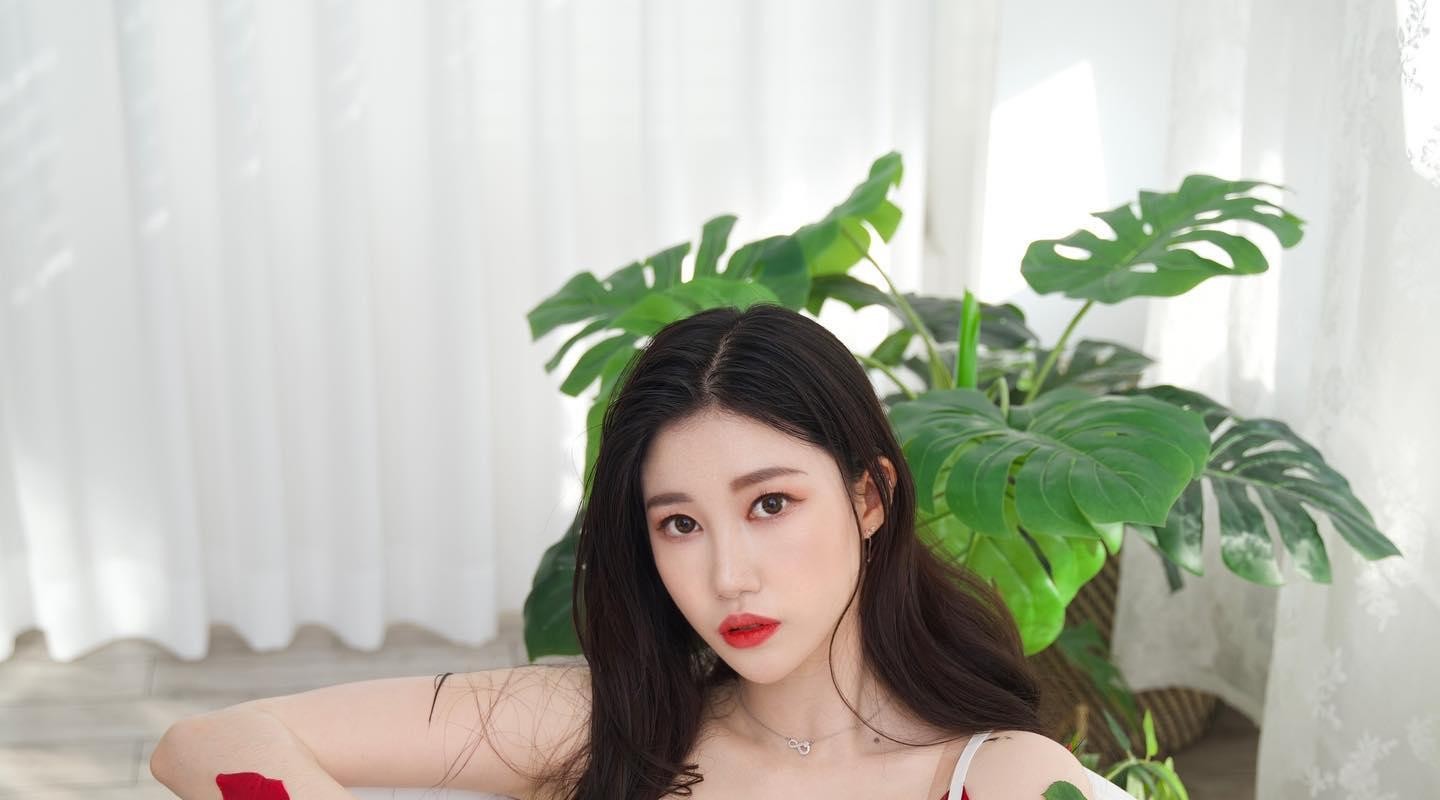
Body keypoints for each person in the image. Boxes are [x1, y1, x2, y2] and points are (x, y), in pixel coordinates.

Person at [151, 303, 1100, 800]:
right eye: (679, 523)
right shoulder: (607, 724)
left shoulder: (997, 778)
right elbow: (208, 744)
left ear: (869, 497)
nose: (727, 574)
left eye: (770, 504)